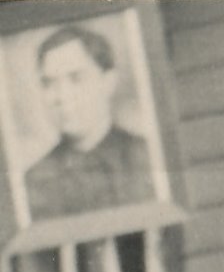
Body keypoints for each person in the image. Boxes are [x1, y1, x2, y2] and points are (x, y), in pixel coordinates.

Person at [23, 24, 156, 222]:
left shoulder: (148, 158)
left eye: (75, 78)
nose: (62, 96)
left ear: (108, 82)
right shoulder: (34, 181)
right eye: (49, 83)